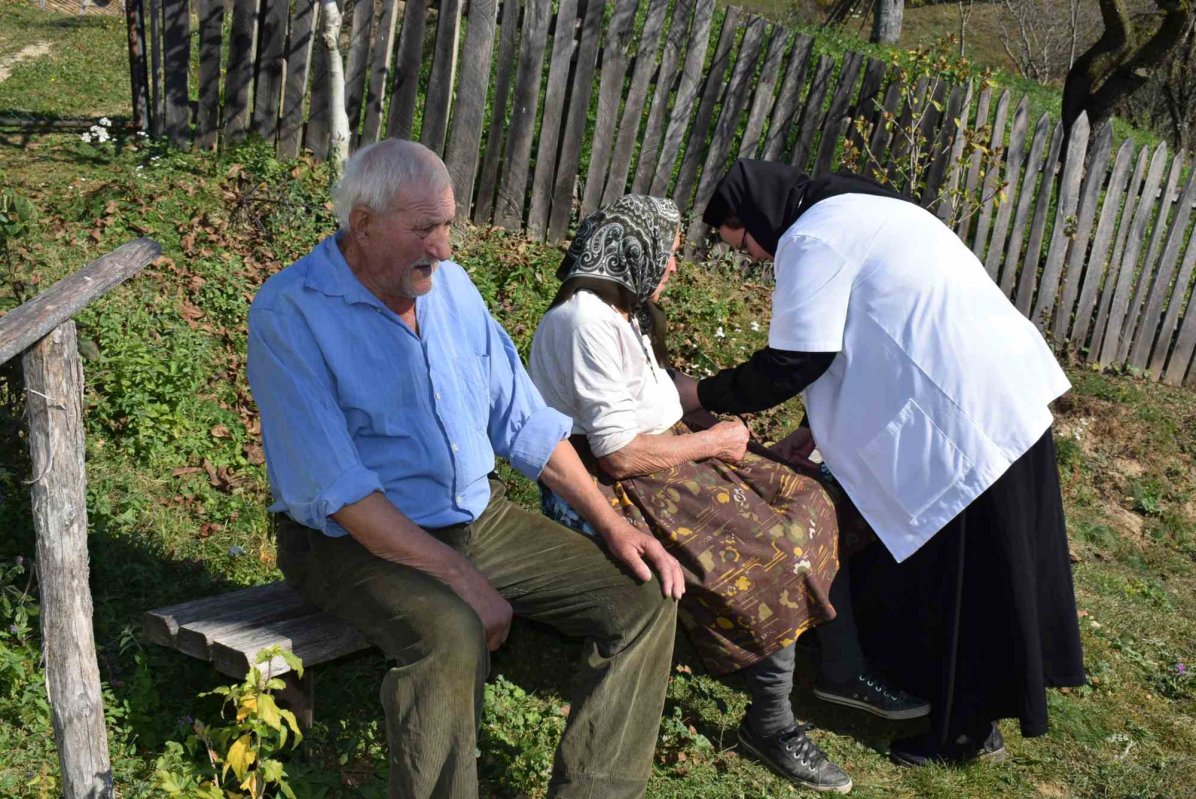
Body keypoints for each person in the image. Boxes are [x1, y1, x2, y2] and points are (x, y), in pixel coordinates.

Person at [247, 140, 687, 799]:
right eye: (425, 228)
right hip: (346, 542)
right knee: (451, 632)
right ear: (363, 224)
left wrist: (612, 523)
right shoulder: (291, 312)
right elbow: (342, 494)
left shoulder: (449, 287)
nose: (445, 248)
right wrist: (461, 580)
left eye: (448, 224)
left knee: (642, 594)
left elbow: (524, 420)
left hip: (475, 517)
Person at [688, 159, 1086, 767]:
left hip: (960, 419)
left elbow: (796, 360)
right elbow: (875, 325)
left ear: (755, 218)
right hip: (1001, 395)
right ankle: (963, 707)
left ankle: (962, 731)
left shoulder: (811, 237)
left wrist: (702, 394)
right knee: (995, 566)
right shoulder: (865, 208)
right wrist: (810, 430)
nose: (754, 259)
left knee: (965, 580)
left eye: (742, 245)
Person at [528, 195, 928, 794]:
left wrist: (733, 417)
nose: (671, 265)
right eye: (666, 253)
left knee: (814, 499)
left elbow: (659, 393)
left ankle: (835, 664)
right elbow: (617, 453)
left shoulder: (622, 308)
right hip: (613, 482)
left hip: (665, 452)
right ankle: (770, 722)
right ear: (632, 250)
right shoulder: (584, 322)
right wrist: (716, 442)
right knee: (771, 550)